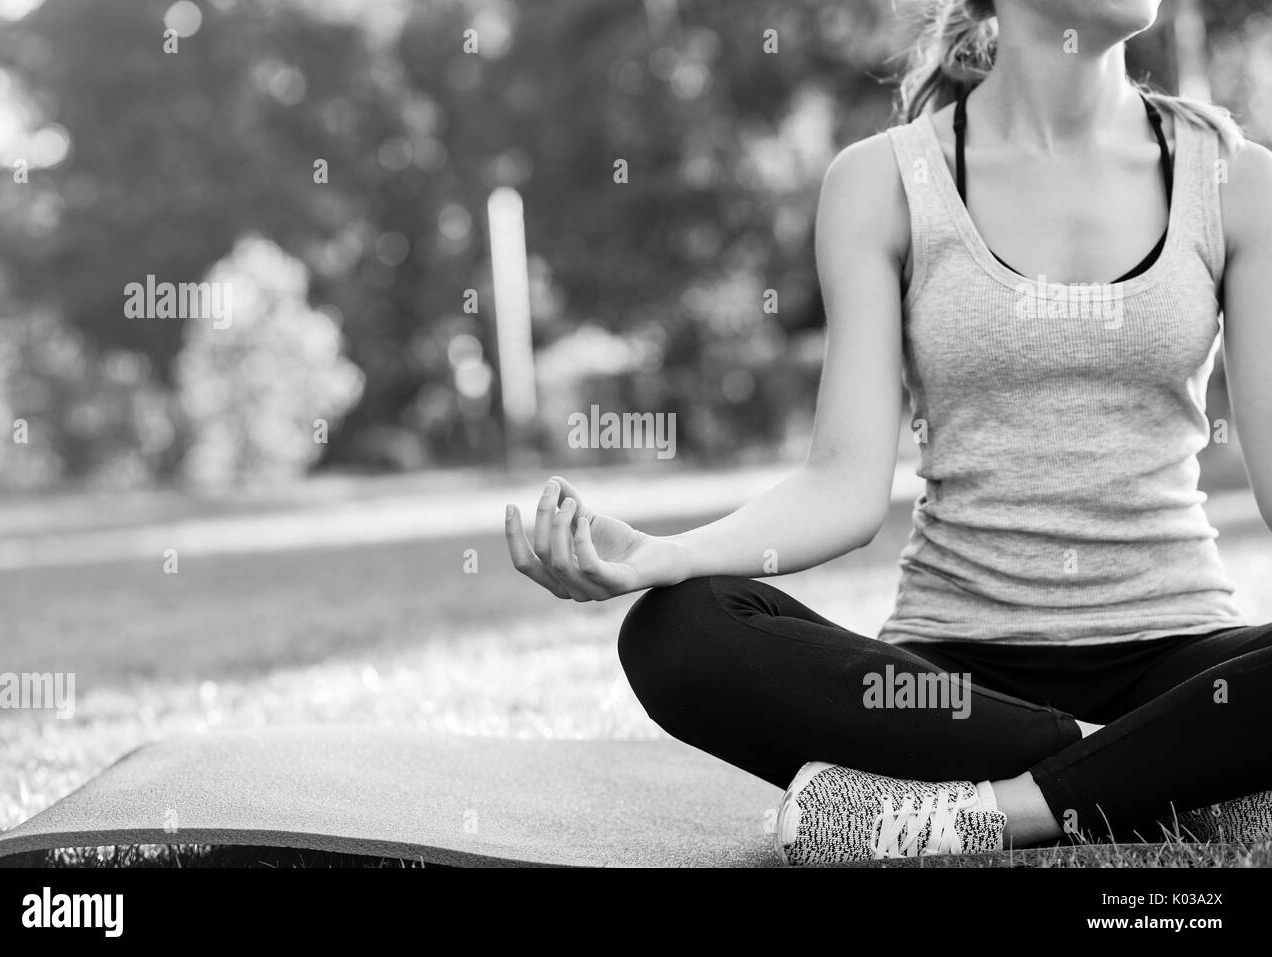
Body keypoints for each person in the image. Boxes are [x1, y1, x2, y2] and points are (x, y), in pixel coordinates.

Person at [504, 0, 1272, 864]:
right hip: (949, 685)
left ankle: (989, 811)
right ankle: (1187, 773)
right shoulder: (882, 182)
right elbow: (842, 486)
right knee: (676, 630)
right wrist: (659, 556)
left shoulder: (1235, 180)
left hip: (1185, 661)